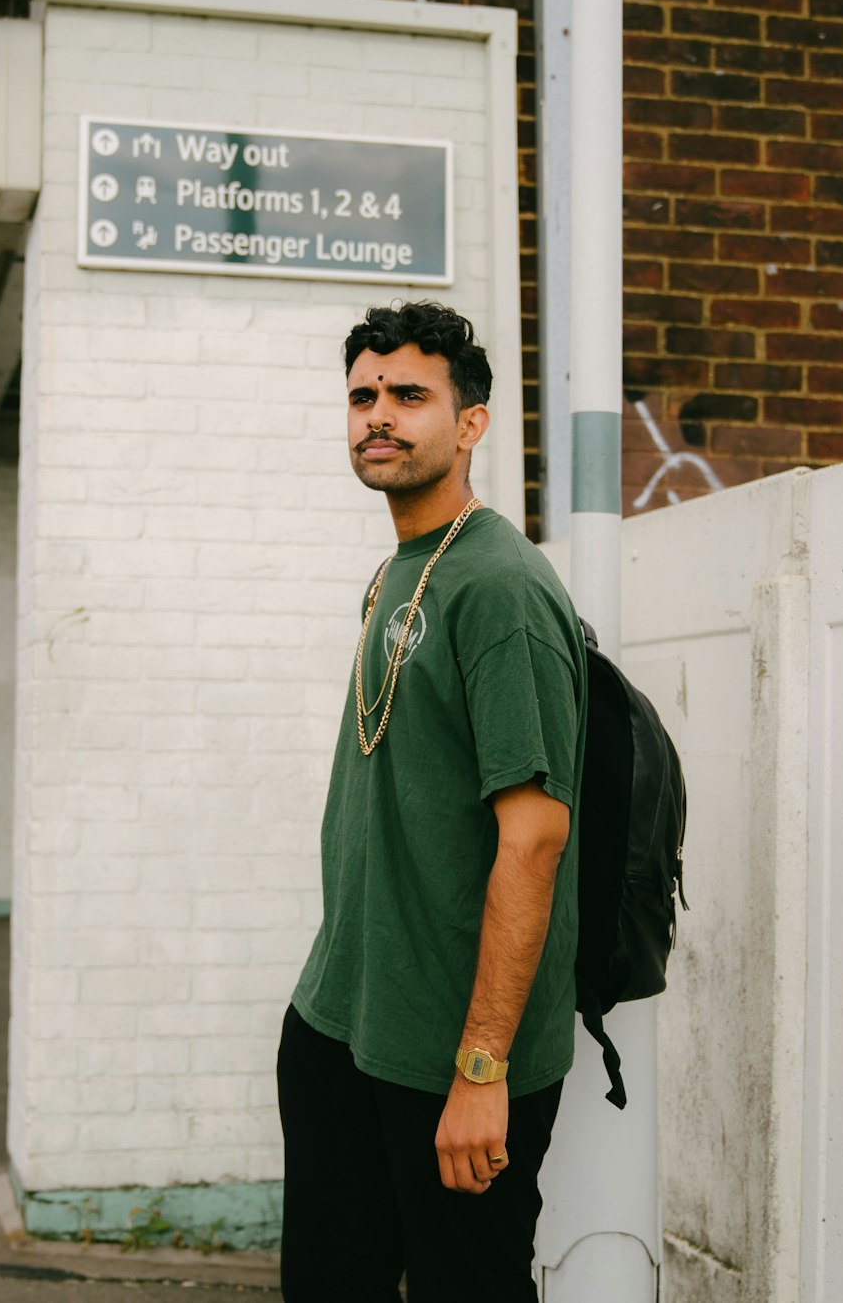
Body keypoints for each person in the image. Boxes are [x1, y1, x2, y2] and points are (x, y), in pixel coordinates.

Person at [277, 301, 588, 1303]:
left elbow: (534, 839)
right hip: (342, 1022)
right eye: (364, 394)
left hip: (450, 1053)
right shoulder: (395, 573)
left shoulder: (499, 587)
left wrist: (482, 1069)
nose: (379, 414)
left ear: (470, 423)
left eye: (410, 395)